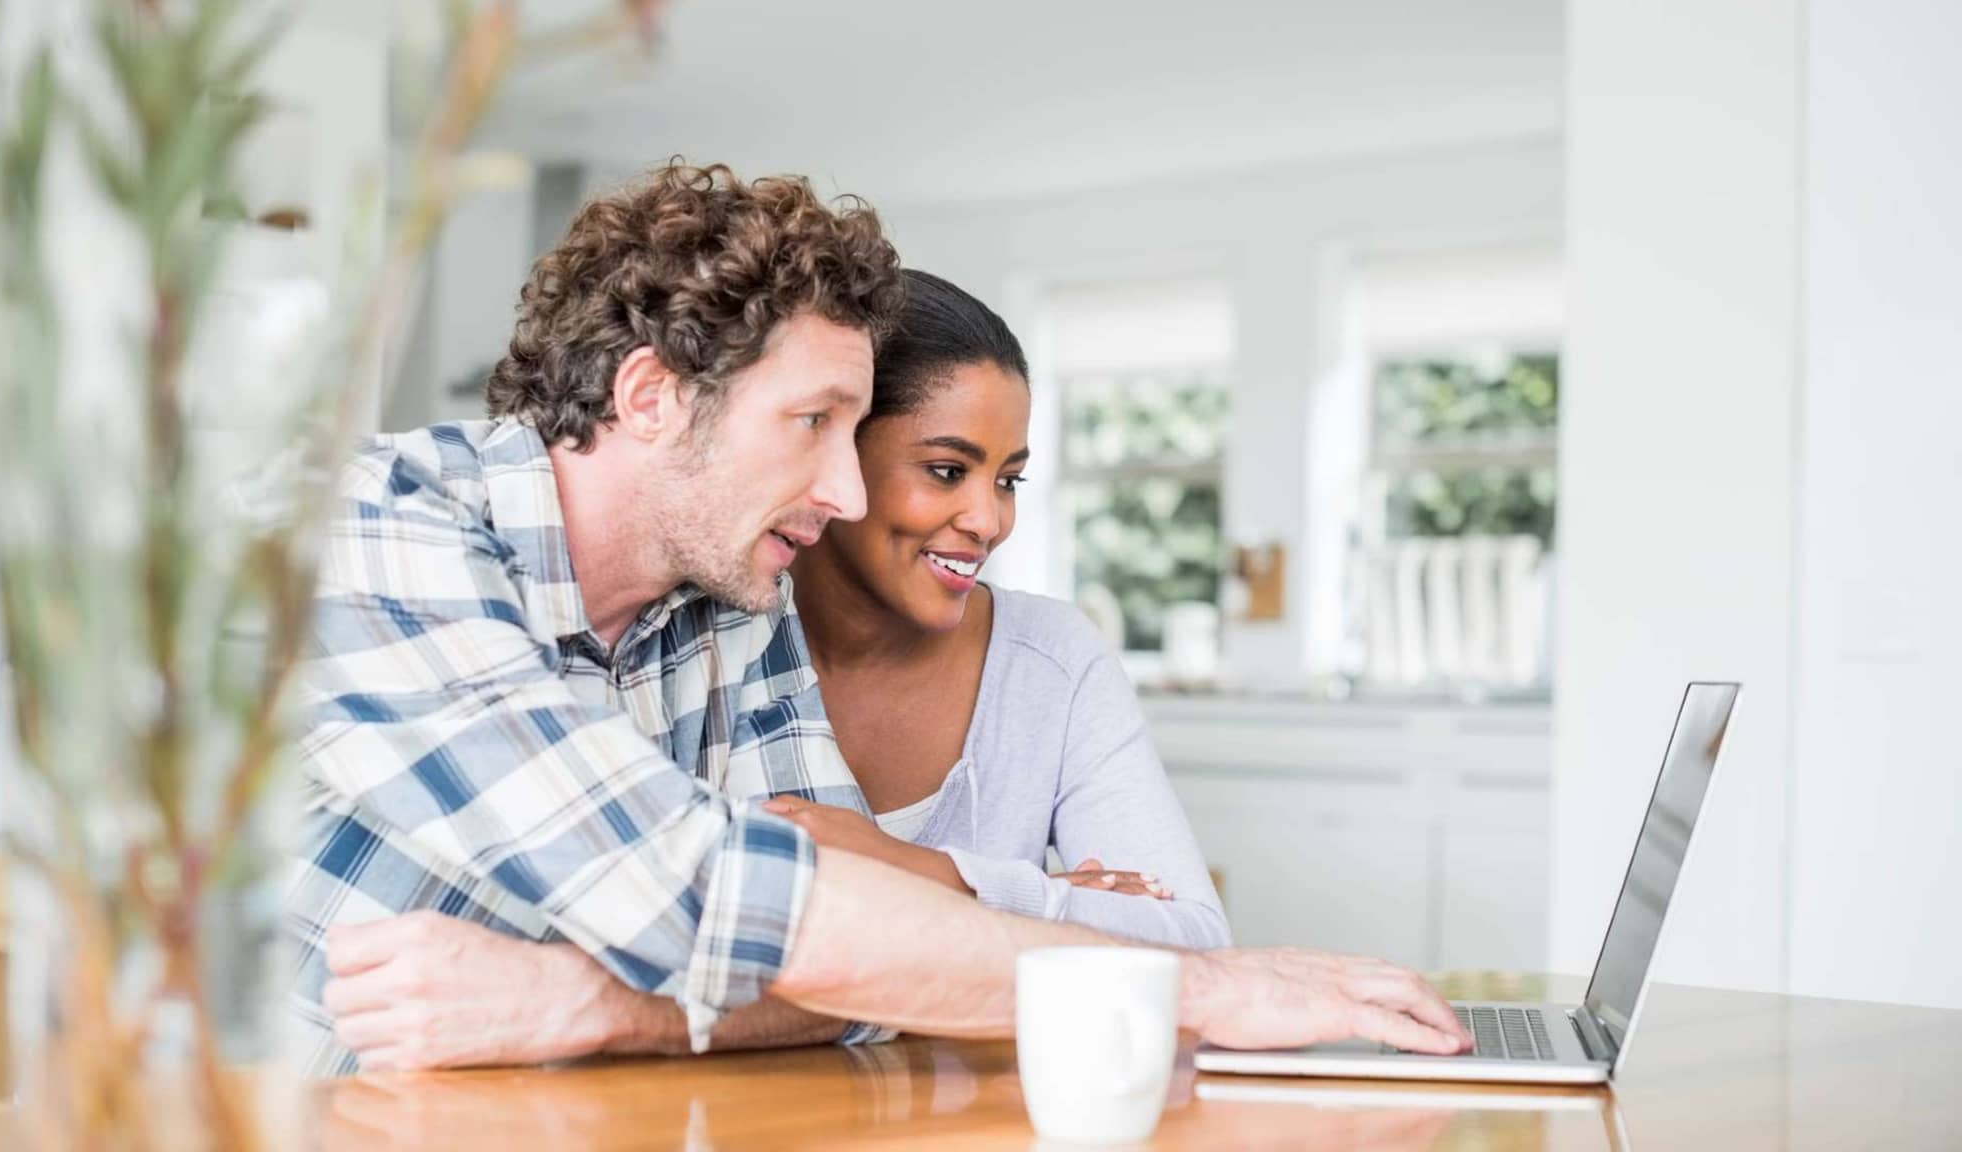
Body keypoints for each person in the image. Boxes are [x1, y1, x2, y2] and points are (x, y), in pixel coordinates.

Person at [291, 162, 1470, 1074]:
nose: (846, 494)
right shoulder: (374, 542)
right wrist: (1204, 989)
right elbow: (730, 908)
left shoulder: (722, 602)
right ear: (650, 396)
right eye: (813, 425)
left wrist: (587, 1006)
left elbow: (859, 961)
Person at [760, 269, 1228, 950]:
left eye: (1008, 480)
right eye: (948, 470)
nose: (989, 520)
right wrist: (1055, 905)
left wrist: (920, 869)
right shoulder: (716, 639)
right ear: (835, 450)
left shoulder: (1053, 660)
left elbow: (1192, 941)